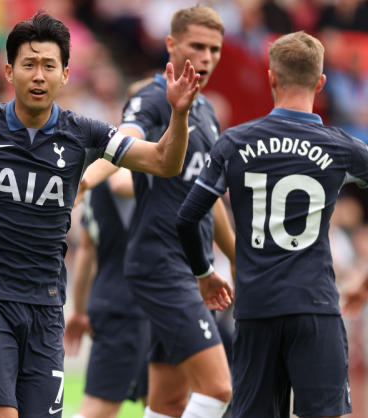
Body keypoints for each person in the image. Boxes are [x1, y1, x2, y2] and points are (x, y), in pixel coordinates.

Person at [0, 10, 200, 418]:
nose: (39, 75)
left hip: (45, 305)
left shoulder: (84, 133)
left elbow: (164, 162)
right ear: (9, 72)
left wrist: (180, 114)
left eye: (49, 65)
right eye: (29, 64)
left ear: (65, 74)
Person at [176, 31, 360, 418]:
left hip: (257, 309)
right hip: (315, 306)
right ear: (321, 82)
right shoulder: (340, 146)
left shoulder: (234, 142)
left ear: (271, 77)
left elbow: (188, 217)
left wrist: (204, 272)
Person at [79, 7, 235, 418]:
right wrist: (84, 180)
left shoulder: (207, 111)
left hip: (188, 268)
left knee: (168, 401)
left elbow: (210, 198)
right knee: (219, 388)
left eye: (214, 49)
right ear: (171, 45)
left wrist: (242, 259)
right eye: (197, 46)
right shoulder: (152, 97)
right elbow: (124, 142)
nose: (206, 57)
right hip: (161, 264)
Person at [64, 172, 149, 418]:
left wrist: (79, 311)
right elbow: (120, 182)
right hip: (127, 306)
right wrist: (180, 178)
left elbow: (87, 251)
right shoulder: (128, 168)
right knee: (99, 409)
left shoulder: (96, 176)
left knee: (165, 404)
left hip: (129, 302)